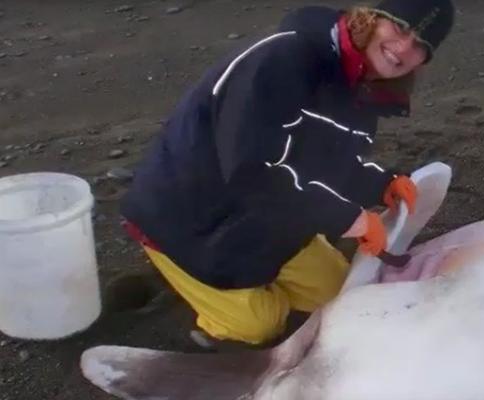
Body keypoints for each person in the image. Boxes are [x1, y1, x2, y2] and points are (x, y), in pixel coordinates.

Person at [119, 0, 455, 347]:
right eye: (400, 28)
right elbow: (250, 171)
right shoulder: (283, 59)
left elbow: (327, 159)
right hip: (192, 216)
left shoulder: (364, 88)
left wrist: (380, 183)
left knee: (338, 292)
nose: (403, 48)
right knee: (259, 325)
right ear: (373, 17)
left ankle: (236, 283)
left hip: (266, 214)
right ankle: (201, 297)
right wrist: (348, 218)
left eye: (420, 46)